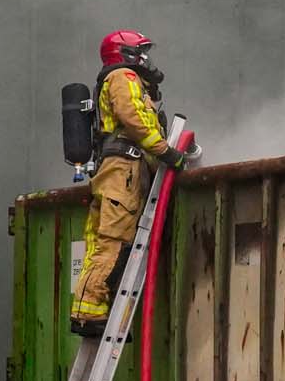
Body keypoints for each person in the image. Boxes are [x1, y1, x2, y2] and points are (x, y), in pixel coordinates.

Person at [69, 30, 193, 338]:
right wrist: (167, 152)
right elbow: (134, 119)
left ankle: (90, 311)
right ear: (125, 53)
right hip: (123, 171)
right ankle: (90, 314)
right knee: (114, 241)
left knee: (101, 244)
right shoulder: (124, 76)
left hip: (114, 171)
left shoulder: (117, 79)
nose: (147, 59)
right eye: (141, 51)